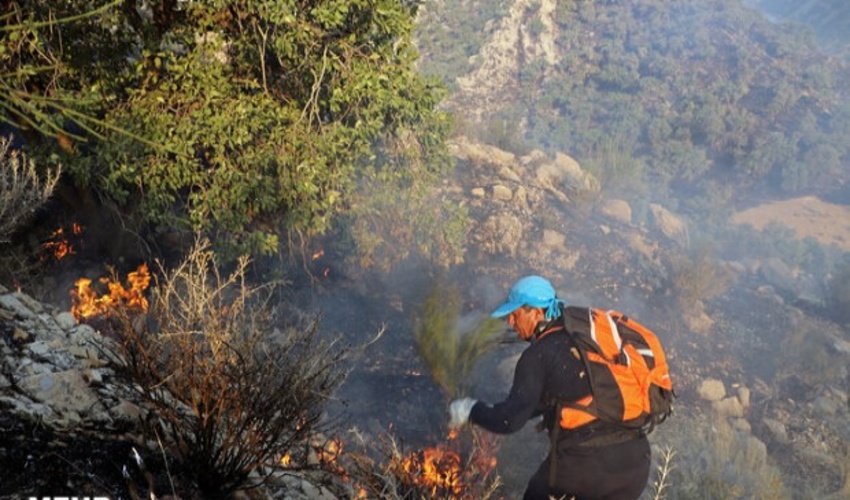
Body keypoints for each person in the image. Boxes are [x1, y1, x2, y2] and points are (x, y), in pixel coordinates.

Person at [448, 275, 651, 500]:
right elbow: (544, 403)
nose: (510, 323)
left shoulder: (538, 355)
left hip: (587, 468)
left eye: (515, 315)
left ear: (536, 312)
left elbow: (510, 420)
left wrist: (470, 410)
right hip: (634, 466)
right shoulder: (583, 343)